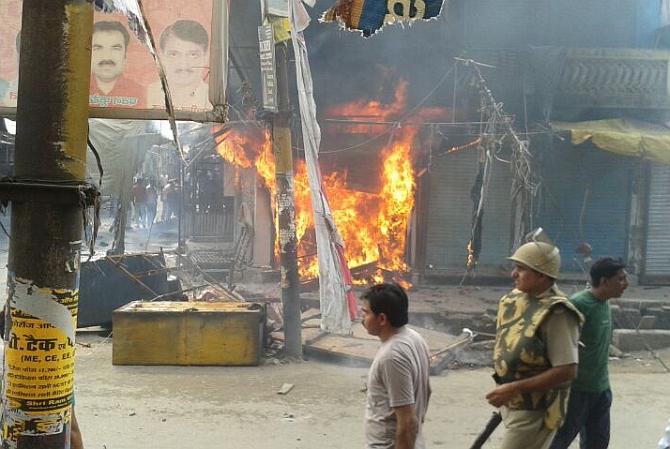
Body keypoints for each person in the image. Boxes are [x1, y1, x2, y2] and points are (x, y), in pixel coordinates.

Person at [486, 241, 584, 449]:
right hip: (510, 401)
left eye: (521, 269)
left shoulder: (558, 313)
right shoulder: (514, 298)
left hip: (535, 409)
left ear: (542, 275)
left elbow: (567, 370)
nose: (513, 274)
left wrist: (514, 388)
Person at [550, 257, 628, 449]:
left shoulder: (605, 303)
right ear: (604, 282)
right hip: (576, 392)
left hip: (601, 390)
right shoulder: (578, 305)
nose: (626, 284)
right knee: (559, 441)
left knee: (598, 443)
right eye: (621, 279)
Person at [361, 283, 431, 449]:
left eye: (366, 313)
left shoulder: (391, 357)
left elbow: (406, 421)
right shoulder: (415, 338)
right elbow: (427, 391)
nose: (363, 319)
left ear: (382, 319)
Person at [146, 19, 210, 111]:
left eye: (193, 55)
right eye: (174, 54)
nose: (183, 64)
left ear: (206, 57)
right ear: (161, 57)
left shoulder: (215, 101)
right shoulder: (146, 94)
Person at [89, 21, 144, 108]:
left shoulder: (142, 92)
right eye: (98, 48)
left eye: (115, 48)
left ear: (125, 55)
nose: (106, 56)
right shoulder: (73, 89)